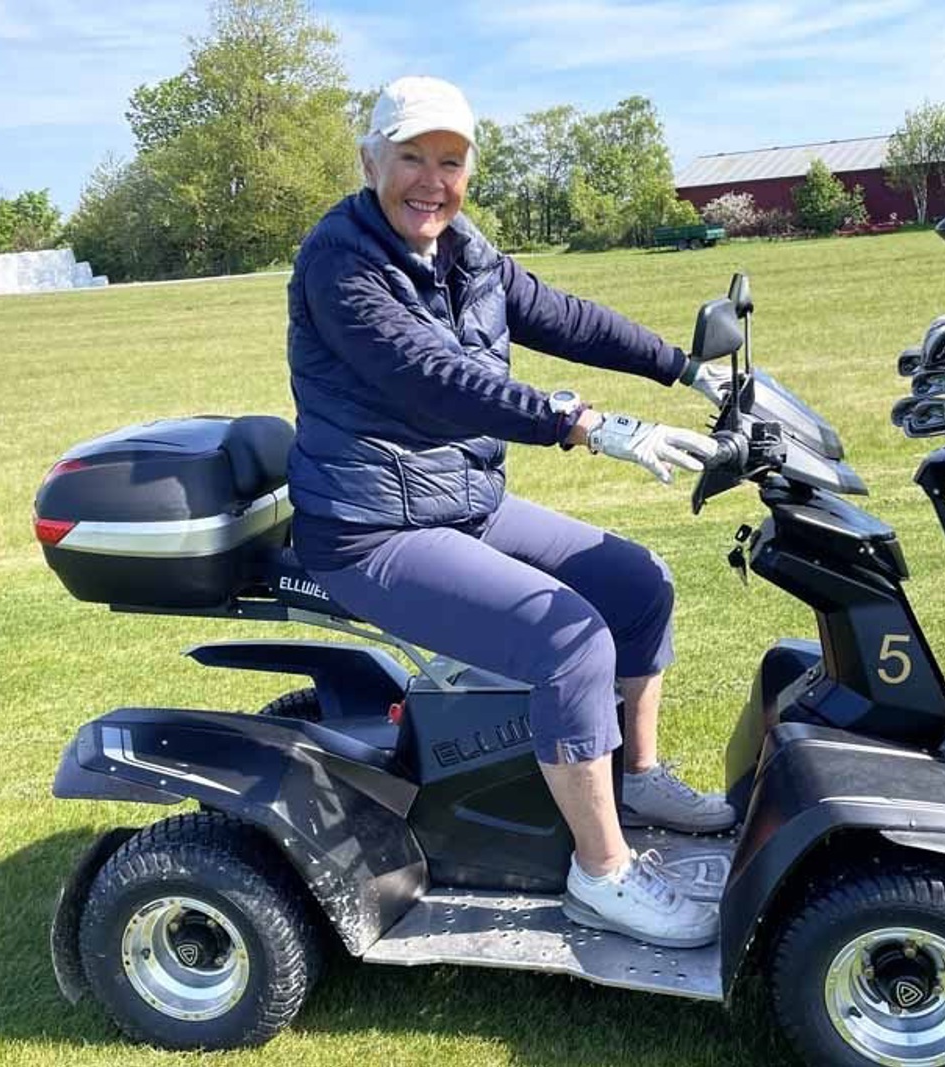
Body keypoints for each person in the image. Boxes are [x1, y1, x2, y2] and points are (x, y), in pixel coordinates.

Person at [285, 75, 736, 949]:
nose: (432, 181)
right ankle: (602, 871)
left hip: (462, 504)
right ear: (370, 161)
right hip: (371, 529)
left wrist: (682, 369)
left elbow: (562, 317)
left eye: (450, 162)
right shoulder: (341, 263)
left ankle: (637, 777)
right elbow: (436, 379)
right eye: (411, 158)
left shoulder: (466, 253)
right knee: (569, 639)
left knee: (636, 582)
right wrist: (587, 425)